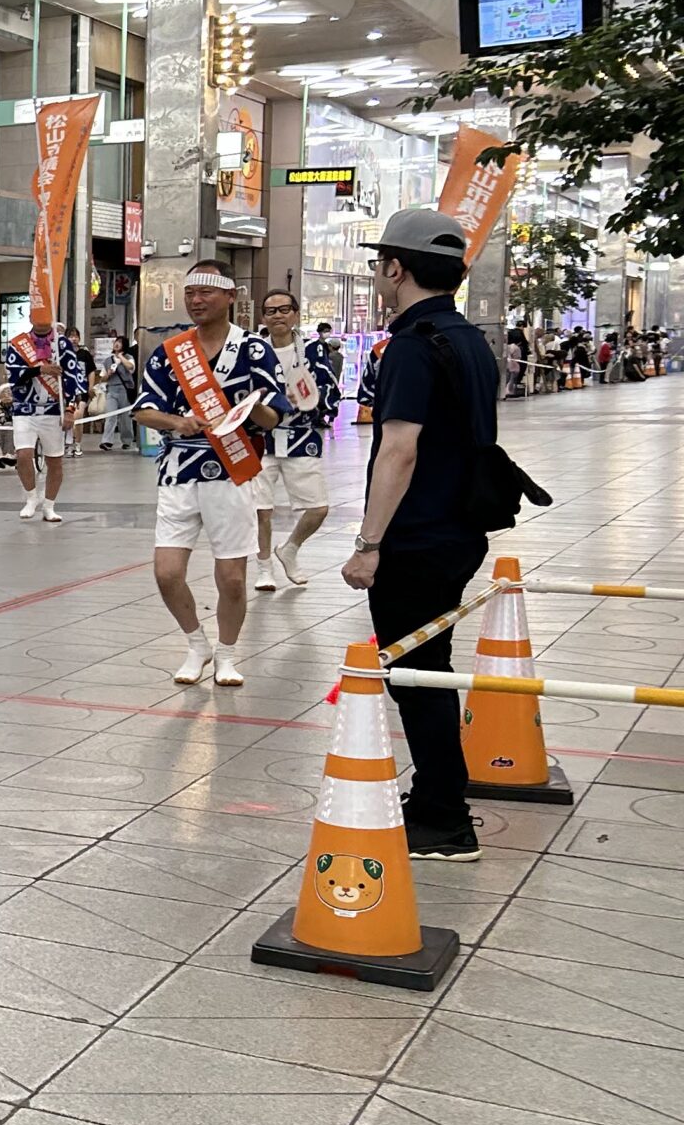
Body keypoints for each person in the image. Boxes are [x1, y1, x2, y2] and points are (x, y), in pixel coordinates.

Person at [341, 208, 499, 863]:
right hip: (460, 530)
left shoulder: (411, 345)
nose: (377, 275)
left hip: (417, 539)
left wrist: (369, 544)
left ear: (396, 268)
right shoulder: (467, 339)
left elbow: (399, 449)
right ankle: (436, 796)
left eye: (379, 264)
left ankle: (443, 818)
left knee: (416, 676)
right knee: (428, 670)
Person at [134, 264, 282, 687]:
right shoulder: (170, 351)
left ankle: (227, 654)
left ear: (231, 296)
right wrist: (176, 422)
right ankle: (196, 642)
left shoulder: (254, 349)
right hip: (179, 471)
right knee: (166, 572)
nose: (196, 300)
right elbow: (144, 410)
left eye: (206, 292)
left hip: (232, 471)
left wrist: (249, 406)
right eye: (190, 293)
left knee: (232, 578)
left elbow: (273, 417)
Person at [253, 287, 338, 592]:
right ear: (263, 317)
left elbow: (330, 387)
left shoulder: (313, 350)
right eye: (271, 311)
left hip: (301, 435)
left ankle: (290, 548)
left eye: (284, 309)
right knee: (261, 509)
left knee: (318, 507)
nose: (278, 316)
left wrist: (310, 399)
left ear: (296, 314)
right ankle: (264, 568)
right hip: (261, 437)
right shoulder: (254, 350)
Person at [5, 315, 89, 522]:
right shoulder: (18, 344)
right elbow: (13, 375)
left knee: (54, 460)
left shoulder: (63, 344)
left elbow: (73, 377)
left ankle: (49, 505)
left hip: (53, 410)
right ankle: (31, 497)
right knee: (23, 454)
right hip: (25, 408)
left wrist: (70, 410)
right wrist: (40, 369)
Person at [98, 339, 138, 452]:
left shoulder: (129, 357)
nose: (116, 344)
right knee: (110, 415)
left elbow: (131, 367)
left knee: (125, 417)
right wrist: (108, 374)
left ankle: (127, 441)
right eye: (116, 342)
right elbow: (102, 378)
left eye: (119, 342)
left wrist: (120, 357)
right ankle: (107, 441)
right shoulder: (108, 360)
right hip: (111, 389)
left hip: (125, 390)